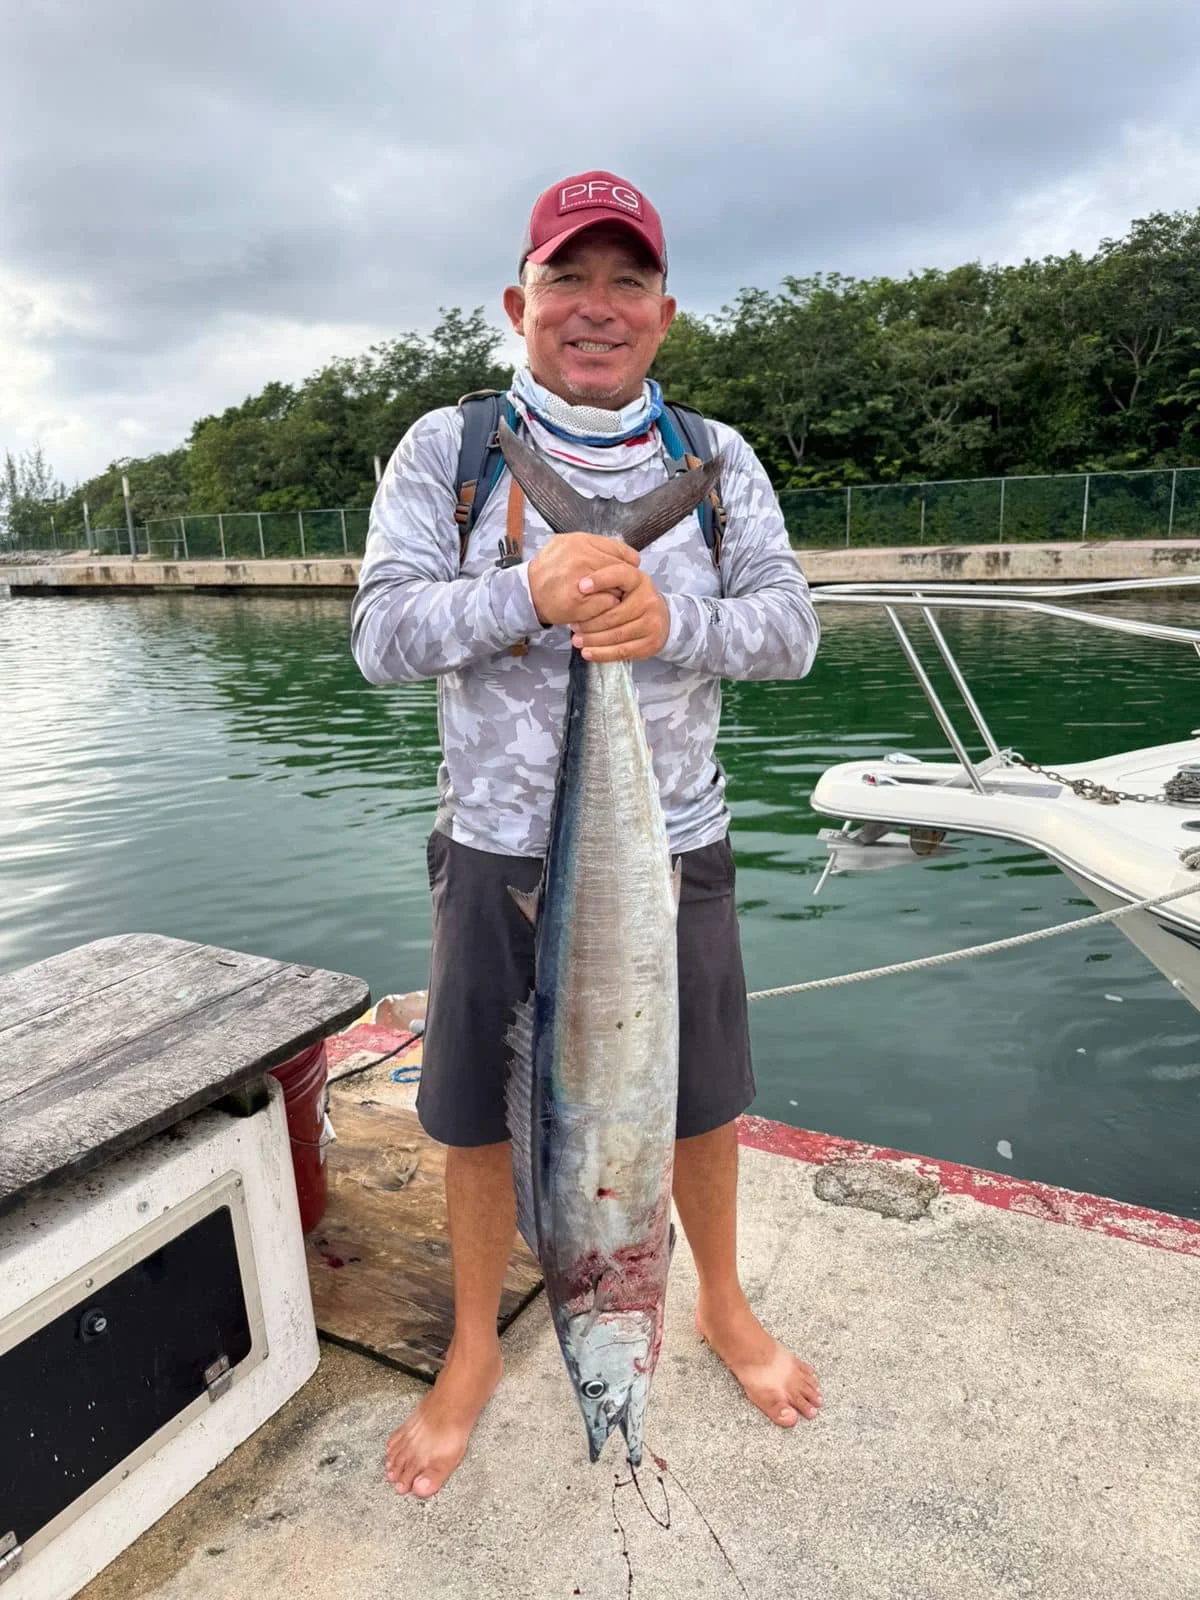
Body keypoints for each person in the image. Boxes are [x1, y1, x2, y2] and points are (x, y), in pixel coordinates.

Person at [350, 169, 823, 1500]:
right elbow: (380, 635)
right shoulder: (447, 452)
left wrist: (679, 625)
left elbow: (791, 632)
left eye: (627, 283)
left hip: (675, 843)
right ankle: (472, 1354)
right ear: (522, 301)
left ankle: (720, 1304)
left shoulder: (717, 465)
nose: (597, 308)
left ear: (664, 313)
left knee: (701, 1100)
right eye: (570, 279)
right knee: (477, 1120)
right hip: (498, 855)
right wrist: (522, 593)